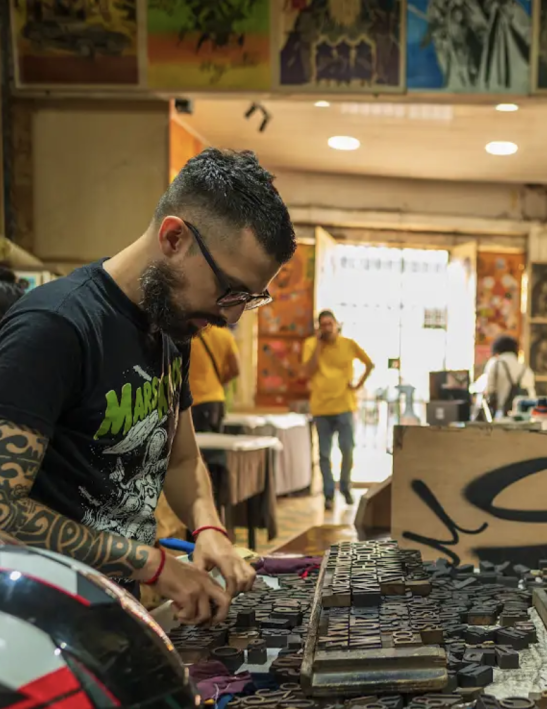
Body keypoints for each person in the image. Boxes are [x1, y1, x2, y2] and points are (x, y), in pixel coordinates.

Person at [0, 147, 296, 625]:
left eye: (249, 298)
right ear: (174, 237)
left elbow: (181, 460)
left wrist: (209, 527)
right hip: (42, 629)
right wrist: (154, 565)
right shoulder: (55, 327)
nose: (232, 314)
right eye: (229, 289)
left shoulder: (171, 326)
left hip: (118, 612)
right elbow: (3, 511)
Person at [302, 309, 374, 508]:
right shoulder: (310, 344)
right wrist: (318, 345)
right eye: (322, 325)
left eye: (329, 324)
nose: (326, 328)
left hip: (344, 406)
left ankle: (345, 486)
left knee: (347, 449)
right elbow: (307, 371)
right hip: (321, 407)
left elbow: (369, 364)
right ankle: (328, 493)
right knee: (324, 454)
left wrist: (358, 385)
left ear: (336, 325)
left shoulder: (348, 344)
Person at [190, 323, 241, 433]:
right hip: (217, 401)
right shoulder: (225, 335)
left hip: (194, 400)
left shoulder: (192, 336)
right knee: (214, 444)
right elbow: (236, 369)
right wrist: (220, 381)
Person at [483, 334, 536, 417]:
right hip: (522, 417)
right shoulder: (526, 369)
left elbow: (488, 391)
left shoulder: (494, 364)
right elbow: (531, 397)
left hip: (499, 416)